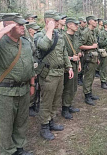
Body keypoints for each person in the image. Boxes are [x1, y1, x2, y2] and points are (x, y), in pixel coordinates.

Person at [0, 14, 35, 155]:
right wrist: (1, 32)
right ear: (9, 26)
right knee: (5, 125)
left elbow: (30, 65)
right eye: (19, 25)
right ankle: (8, 151)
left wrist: (32, 84)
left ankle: (19, 148)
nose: (23, 27)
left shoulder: (26, 42)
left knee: (21, 121)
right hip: (5, 92)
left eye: (23, 24)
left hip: (23, 89)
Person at [34, 10, 74, 140]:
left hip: (59, 72)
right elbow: (44, 46)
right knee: (47, 101)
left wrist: (69, 67)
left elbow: (63, 52)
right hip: (48, 73)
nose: (58, 23)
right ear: (48, 21)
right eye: (55, 21)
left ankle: (51, 121)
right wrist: (49, 30)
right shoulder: (39, 35)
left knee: (56, 99)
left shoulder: (58, 35)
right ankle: (44, 126)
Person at [62, 17, 81, 119]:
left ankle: (69, 104)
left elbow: (77, 51)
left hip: (75, 64)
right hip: (67, 66)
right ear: (69, 25)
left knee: (73, 87)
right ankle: (65, 108)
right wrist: (71, 58)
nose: (77, 26)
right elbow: (61, 54)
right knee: (68, 87)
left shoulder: (76, 36)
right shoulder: (63, 37)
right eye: (75, 24)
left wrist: (79, 63)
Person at [79, 16, 99, 106]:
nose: (96, 22)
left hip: (93, 58)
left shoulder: (93, 32)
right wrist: (92, 47)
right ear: (90, 21)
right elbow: (80, 46)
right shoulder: (86, 32)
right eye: (95, 21)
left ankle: (90, 93)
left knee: (92, 76)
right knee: (88, 77)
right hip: (88, 58)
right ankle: (87, 96)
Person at [25, 22, 41, 117]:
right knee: (32, 86)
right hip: (31, 66)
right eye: (34, 29)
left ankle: (35, 103)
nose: (36, 30)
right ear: (30, 29)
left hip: (37, 65)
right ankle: (30, 106)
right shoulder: (27, 40)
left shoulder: (35, 38)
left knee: (37, 86)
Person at [98, 20, 107, 89]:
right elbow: (100, 43)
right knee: (103, 67)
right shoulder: (102, 33)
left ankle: (105, 80)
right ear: (105, 25)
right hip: (104, 52)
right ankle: (102, 82)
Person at [77, 17, 87, 86]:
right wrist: (79, 51)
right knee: (79, 65)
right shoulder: (78, 30)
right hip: (80, 49)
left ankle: (81, 78)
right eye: (84, 22)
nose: (85, 23)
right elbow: (77, 42)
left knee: (83, 65)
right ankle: (78, 78)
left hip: (84, 49)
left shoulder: (85, 30)